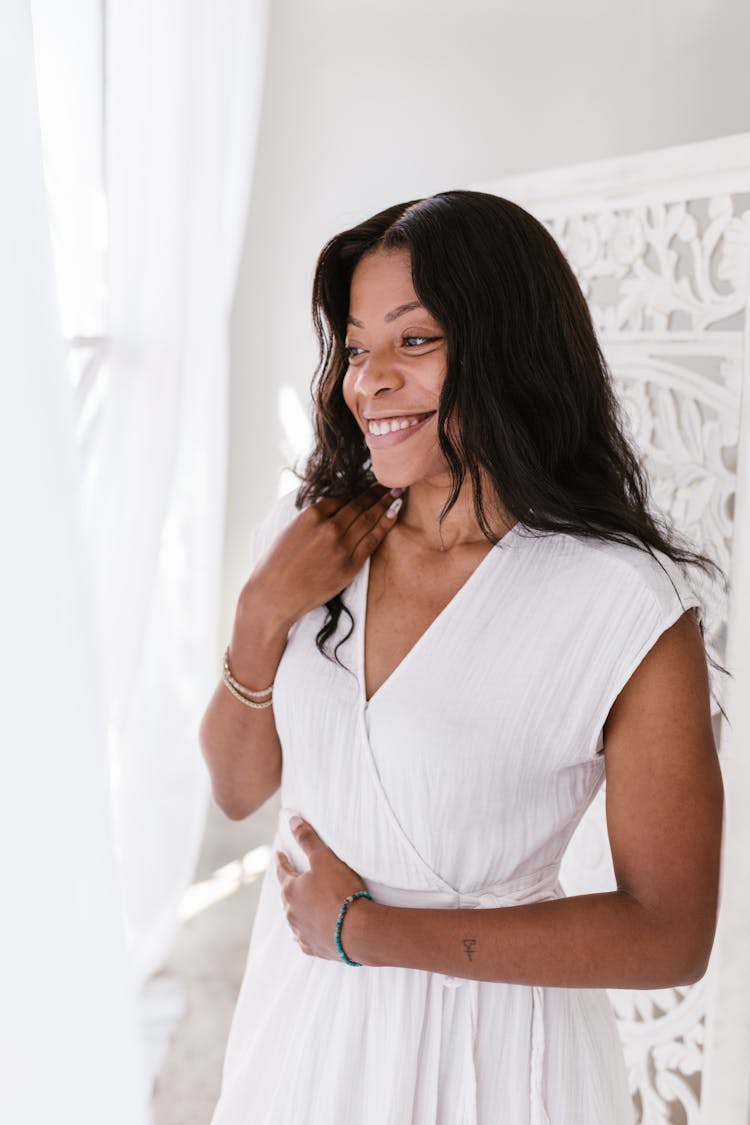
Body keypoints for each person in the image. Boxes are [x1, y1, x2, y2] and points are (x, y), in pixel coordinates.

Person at [200, 190, 725, 1124]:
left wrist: (369, 931)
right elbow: (240, 792)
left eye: (414, 341)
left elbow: (669, 932)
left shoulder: (618, 603)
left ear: (508, 346)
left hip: (491, 1049)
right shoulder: (308, 537)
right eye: (358, 348)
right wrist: (262, 609)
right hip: (307, 1019)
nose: (369, 382)